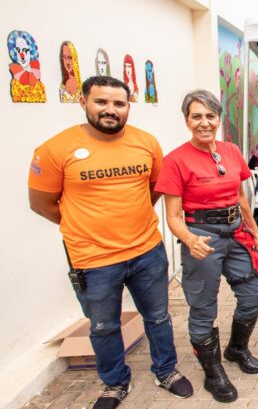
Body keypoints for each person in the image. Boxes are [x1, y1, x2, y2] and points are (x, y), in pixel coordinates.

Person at [28, 76, 193, 409]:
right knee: (104, 327)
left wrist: (131, 220)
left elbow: (154, 188)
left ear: (128, 106)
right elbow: (41, 203)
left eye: (119, 103)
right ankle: (115, 383)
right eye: (101, 102)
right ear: (83, 102)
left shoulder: (146, 142)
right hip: (93, 260)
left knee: (158, 317)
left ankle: (166, 370)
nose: (110, 110)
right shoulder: (55, 149)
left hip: (147, 251)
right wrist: (84, 227)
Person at [155, 90, 258, 403]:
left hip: (236, 233)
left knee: (252, 297)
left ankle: (236, 349)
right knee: (203, 307)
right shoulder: (175, 160)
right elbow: (173, 216)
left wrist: (254, 230)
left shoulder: (230, 150)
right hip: (202, 236)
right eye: (196, 116)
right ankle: (213, 371)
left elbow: (241, 196)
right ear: (187, 120)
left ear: (219, 119)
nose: (204, 122)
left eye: (210, 116)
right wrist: (190, 239)